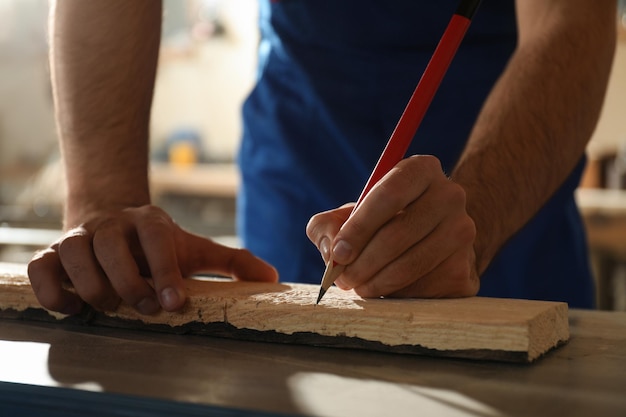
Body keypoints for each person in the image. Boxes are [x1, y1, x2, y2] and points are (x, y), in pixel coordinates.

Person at [28, 0, 616, 316]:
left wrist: (477, 218)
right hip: (297, 150)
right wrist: (106, 205)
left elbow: (572, 18)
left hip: (506, 188)